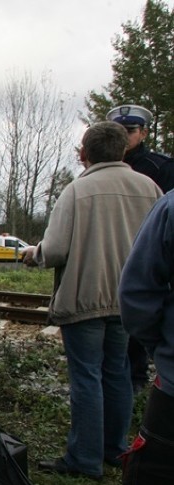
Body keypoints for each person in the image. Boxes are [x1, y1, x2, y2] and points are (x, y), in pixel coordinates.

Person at [21, 121, 161, 480]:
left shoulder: (77, 191)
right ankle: (115, 449)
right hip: (130, 302)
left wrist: (33, 253)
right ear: (123, 149)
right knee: (118, 373)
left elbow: (53, 250)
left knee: (87, 377)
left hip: (85, 298)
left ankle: (84, 460)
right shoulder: (150, 188)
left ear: (85, 153)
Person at [118, 189, 174, 485]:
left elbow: (137, 293)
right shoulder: (150, 189)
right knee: (113, 375)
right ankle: (107, 446)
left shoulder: (170, 205)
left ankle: (89, 454)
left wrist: (164, 354)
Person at [107, 104, 173, 393]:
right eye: (119, 131)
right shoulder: (102, 169)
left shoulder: (162, 169)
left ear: (144, 133)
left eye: (130, 130)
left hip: (149, 261)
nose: (125, 136)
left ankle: (136, 381)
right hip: (114, 261)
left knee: (133, 341)